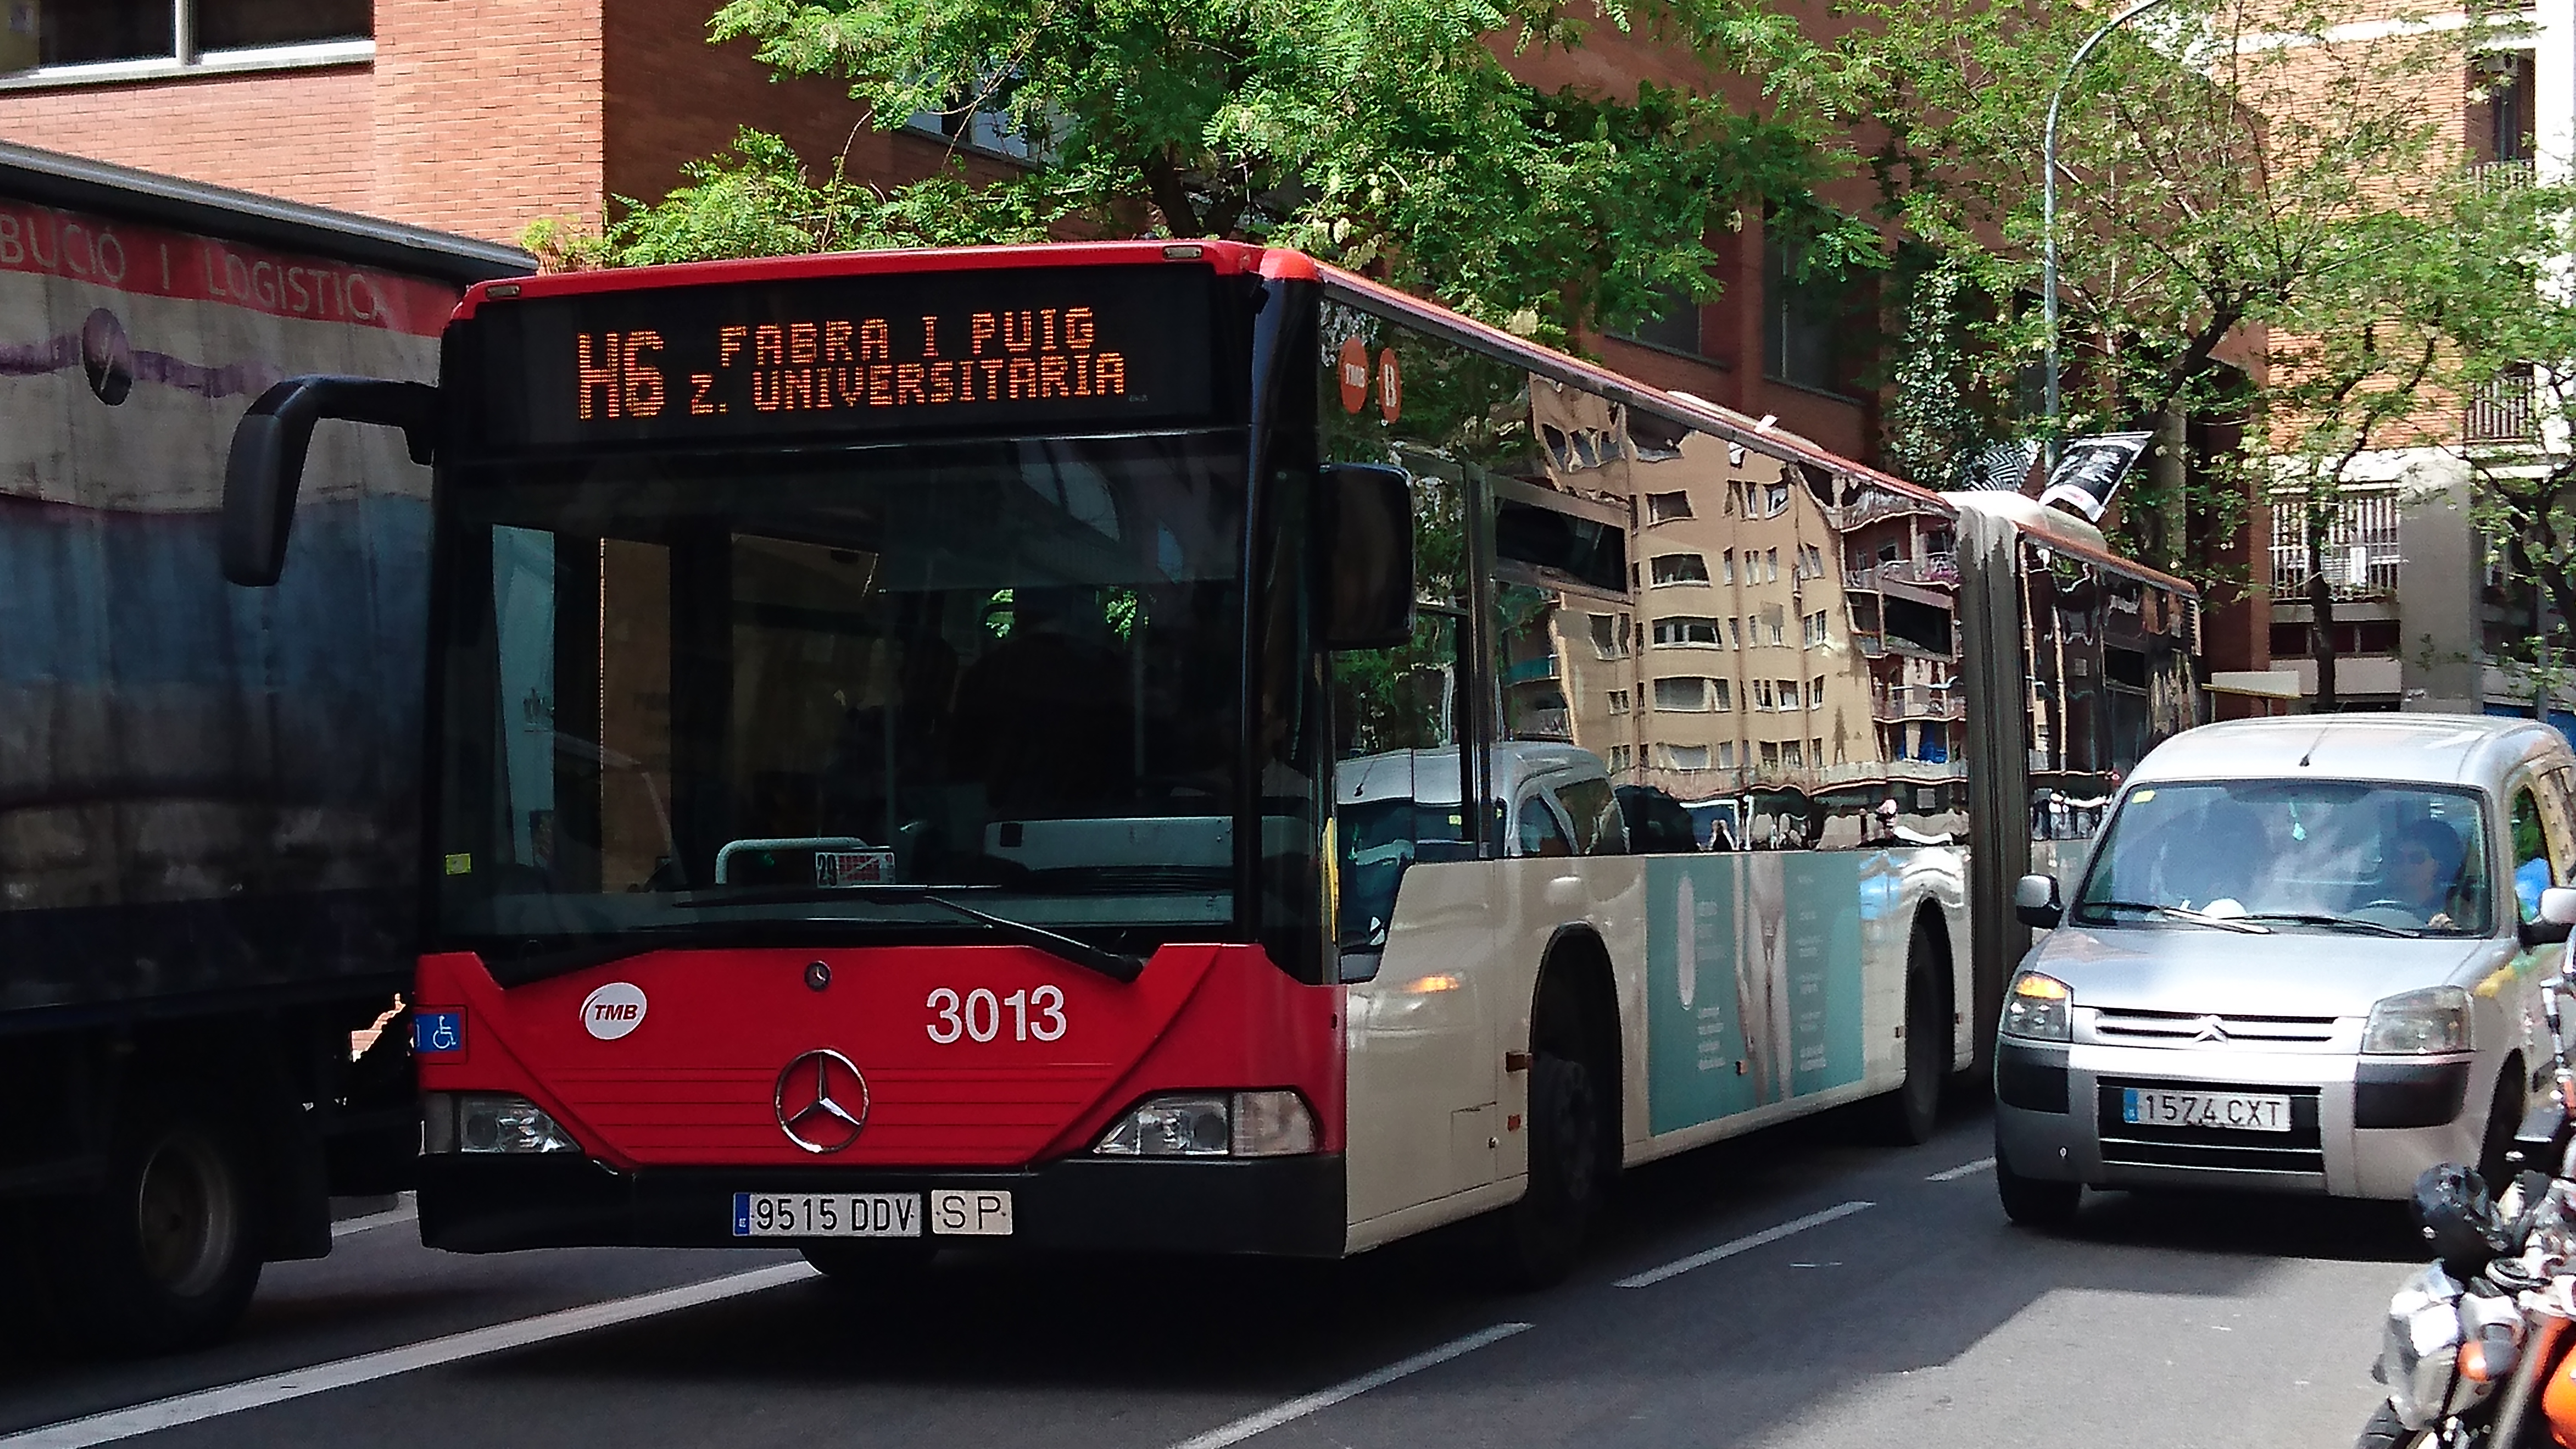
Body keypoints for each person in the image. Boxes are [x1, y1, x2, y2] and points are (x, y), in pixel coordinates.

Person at [2369, 819, 2464, 928]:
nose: (2406, 865)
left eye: (2417, 858)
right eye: (2398, 858)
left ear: (2439, 864)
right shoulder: (2374, 906)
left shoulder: (2458, 910)